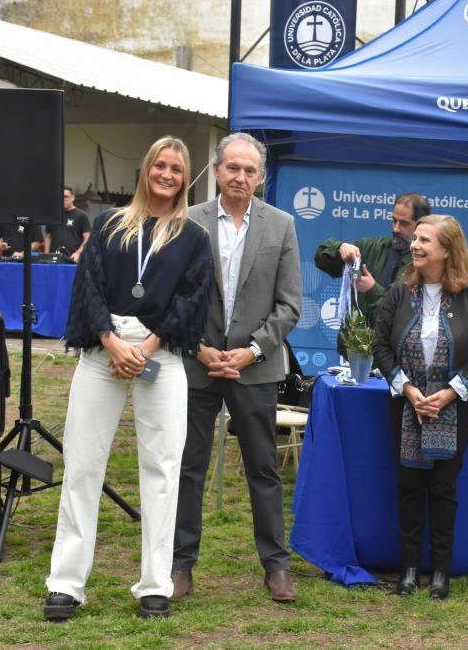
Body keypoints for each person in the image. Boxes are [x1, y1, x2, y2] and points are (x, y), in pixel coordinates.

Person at [43, 136, 213, 621]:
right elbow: (89, 285)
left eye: (176, 169)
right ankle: (67, 583)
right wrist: (112, 340)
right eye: (160, 165)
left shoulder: (193, 237)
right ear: (145, 169)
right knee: (82, 465)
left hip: (161, 356)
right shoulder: (109, 224)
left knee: (162, 470)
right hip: (104, 350)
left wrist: (147, 347)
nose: (167, 174)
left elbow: (191, 301)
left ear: (185, 177)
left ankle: (155, 584)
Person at [171, 133, 302, 603]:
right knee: (189, 467)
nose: (240, 178)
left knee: (263, 470)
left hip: (255, 369)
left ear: (261, 178)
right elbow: (175, 296)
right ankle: (180, 565)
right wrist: (201, 349)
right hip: (197, 365)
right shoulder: (188, 220)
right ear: (217, 170)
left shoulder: (282, 225)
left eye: (250, 171)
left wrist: (251, 351)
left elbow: (289, 306)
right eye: (232, 168)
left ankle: (276, 567)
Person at [372, 214, 468, 600]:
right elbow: (381, 348)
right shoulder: (398, 291)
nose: (416, 245)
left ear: (447, 249)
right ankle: (408, 569)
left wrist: (450, 393)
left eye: (426, 240)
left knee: (443, 487)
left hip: (453, 406)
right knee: (409, 485)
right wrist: (408, 389)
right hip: (406, 403)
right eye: (416, 239)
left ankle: (441, 572)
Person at [314, 192, 430, 330]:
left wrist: (372, 289)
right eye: (394, 221)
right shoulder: (368, 247)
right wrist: (339, 247)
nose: (396, 228)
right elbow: (321, 259)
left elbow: (404, 312)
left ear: (421, 224)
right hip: (357, 345)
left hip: (395, 346)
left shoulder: (426, 264)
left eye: (404, 223)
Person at [44, 186, 92, 261]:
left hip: (72, 258)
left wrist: (78, 253)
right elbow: (48, 236)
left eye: (66, 196)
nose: (63, 199)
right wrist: (46, 255)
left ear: (73, 198)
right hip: (54, 258)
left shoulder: (81, 215)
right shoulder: (53, 215)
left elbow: (87, 238)